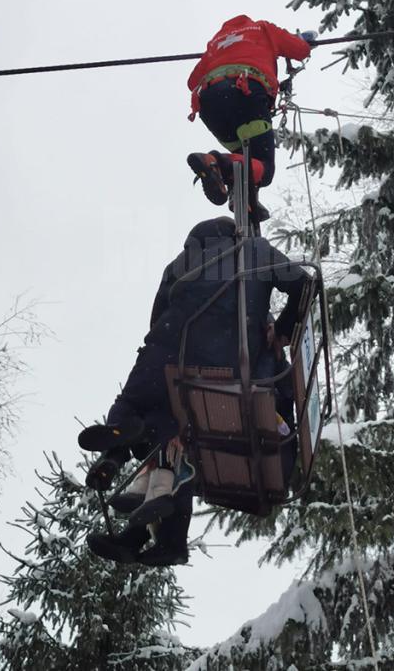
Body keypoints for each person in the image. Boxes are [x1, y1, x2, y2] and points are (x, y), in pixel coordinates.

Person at [80, 216, 308, 566]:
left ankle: (118, 448)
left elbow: (158, 315)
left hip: (173, 356)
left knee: (144, 411)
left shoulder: (180, 263)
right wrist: (282, 328)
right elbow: (303, 285)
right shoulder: (257, 252)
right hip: (230, 364)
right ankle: (155, 538)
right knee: (181, 444)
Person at [186, 16, 316, 218]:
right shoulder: (263, 28)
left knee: (246, 156)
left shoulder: (215, 42)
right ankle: (218, 162)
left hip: (209, 103)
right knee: (265, 166)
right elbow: (300, 50)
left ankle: (242, 197)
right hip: (245, 93)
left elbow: (192, 81)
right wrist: (303, 40)